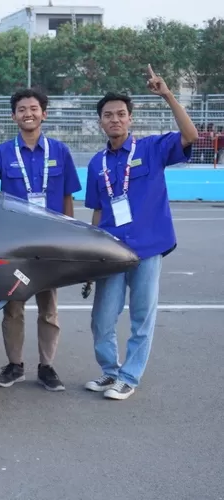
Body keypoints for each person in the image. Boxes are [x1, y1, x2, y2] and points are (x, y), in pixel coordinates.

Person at [83, 66, 197, 401]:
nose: (114, 119)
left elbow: (190, 136)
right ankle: (110, 372)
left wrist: (166, 94)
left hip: (148, 248)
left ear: (130, 119)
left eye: (120, 114)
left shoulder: (151, 148)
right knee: (102, 319)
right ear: (101, 122)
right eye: (108, 115)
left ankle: (129, 377)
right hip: (111, 251)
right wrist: (89, 255)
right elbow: (99, 210)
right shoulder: (96, 163)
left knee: (141, 317)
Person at [0, 88, 82, 392]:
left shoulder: (60, 151)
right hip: (15, 244)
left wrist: (69, 234)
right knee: (13, 306)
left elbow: (67, 197)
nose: (28, 114)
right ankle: (15, 365)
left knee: (49, 307)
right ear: (14, 116)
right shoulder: (3, 153)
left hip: (50, 244)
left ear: (44, 113)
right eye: (22, 109)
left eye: (33, 108)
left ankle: (47, 367)